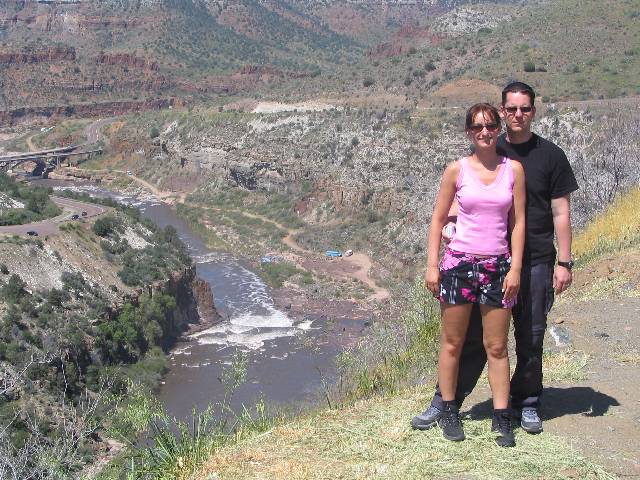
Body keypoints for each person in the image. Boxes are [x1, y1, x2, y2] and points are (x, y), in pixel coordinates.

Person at [412, 81, 579, 434]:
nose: (518, 114)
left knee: (530, 335)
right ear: (503, 112)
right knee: (473, 338)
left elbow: (561, 212)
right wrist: (451, 227)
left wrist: (564, 262)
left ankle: (526, 403)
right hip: (487, 260)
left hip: (533, 259)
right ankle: (446, 401)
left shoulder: (550, 156)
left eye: (525, 108)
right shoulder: (489, 148)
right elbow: (461, 202)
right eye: (511, 108)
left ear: (533, 111)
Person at [424, 102, 526, 446]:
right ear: (469, 131)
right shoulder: (457, 170)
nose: (485, 132)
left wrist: (515, 268)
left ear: (499, 129)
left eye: (490, 126)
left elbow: (518, 223)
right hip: (458, 266)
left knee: (496, 346)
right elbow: (438, 219)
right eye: (478, 127)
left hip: (497, 267)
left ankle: (502, 417)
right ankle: (449, 411)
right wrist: (432, 266)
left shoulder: (513, 170)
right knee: (452, 342)